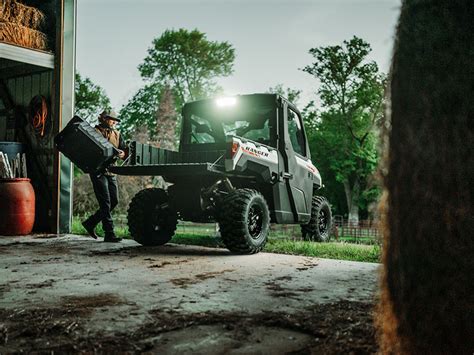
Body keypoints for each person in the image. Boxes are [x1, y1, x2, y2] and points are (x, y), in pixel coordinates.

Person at [82, 110, 127, 242]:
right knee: (105, 203)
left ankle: (90, 223)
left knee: (114, 201)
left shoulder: (117, 134)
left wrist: (122, 154)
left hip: (111, 171)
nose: (113, 122)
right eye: (111, 119)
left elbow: (124, 150)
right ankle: (109, 233)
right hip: (98, 171)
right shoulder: (94, 132)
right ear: (103, 119)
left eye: (115, 120)